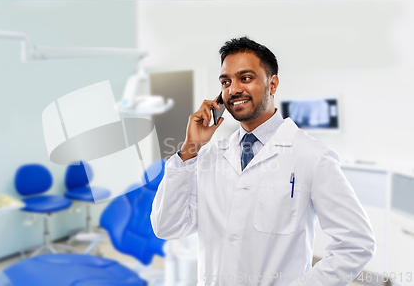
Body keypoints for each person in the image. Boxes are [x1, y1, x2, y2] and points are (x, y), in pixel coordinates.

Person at [150, 37, 375, 286]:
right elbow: (166, 227)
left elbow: (356, 243)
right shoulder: (210, 157)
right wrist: (190, 149)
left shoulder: (312, 156)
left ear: (273, 83)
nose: (233, 89)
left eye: (246, 78)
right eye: (226, 82)